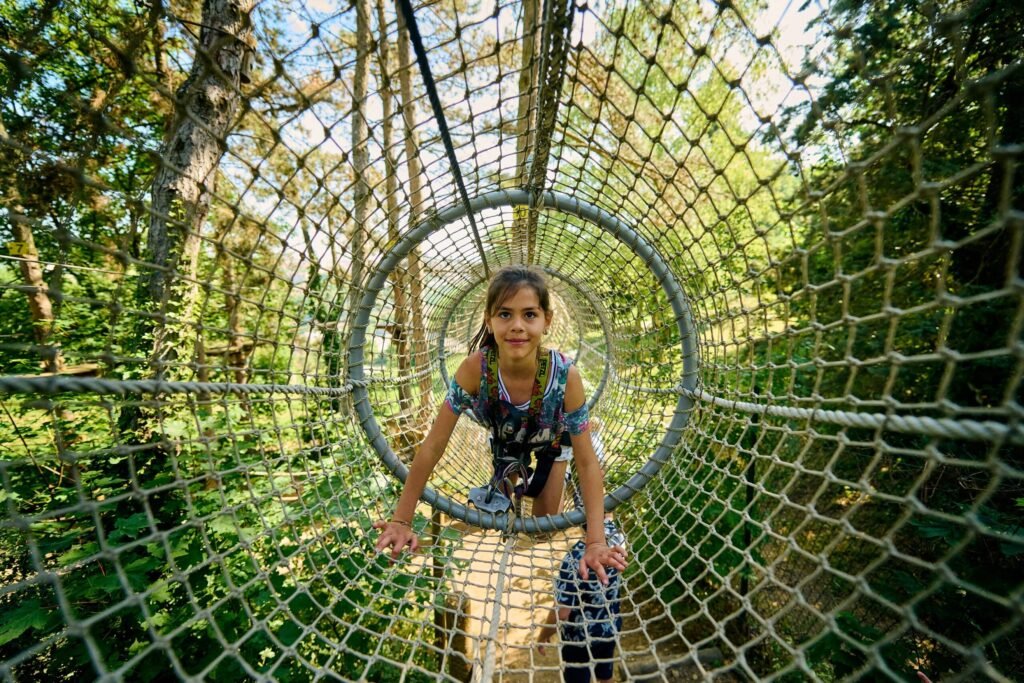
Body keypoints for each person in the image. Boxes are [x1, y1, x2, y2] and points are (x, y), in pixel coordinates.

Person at [374, 265, 627, 581]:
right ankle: (513, 469)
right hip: (507, 435)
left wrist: (595, 540)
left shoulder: (565, 375)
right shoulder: (475, 369)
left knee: (544, 525)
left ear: (547, 321)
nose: (517, 326)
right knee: (499, 505)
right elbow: (433, 444)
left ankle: (558, 461)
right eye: (505, 315)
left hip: (554, 437)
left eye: (529, 315)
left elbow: (587, 462)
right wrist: (402, 519)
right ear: (489, 321)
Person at [538, 516, 627, 683]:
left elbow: (562, 611)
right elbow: (605, 518)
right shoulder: (618, 541)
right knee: (605, 676)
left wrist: (543, 635)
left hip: (579, 637)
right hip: (610, 628)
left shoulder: (575, 558)